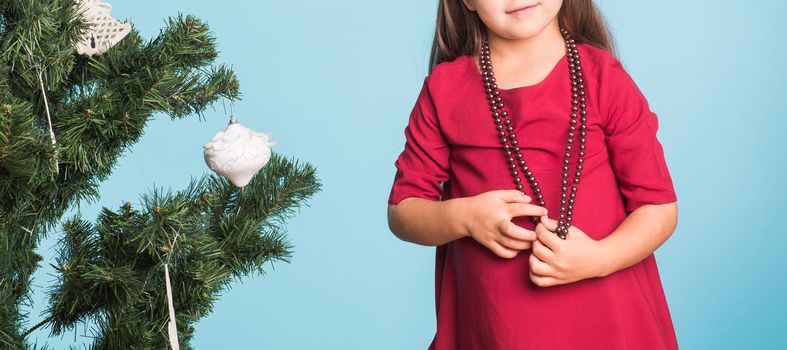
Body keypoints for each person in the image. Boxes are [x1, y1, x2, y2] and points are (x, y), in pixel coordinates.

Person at [386, 0, 680, 349]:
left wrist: (602, 257)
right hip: (495, 330)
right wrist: (464, 216)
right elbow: (403, 211)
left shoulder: (604, 78)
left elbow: (658, 208)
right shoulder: (444, 89)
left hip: (610, 326)